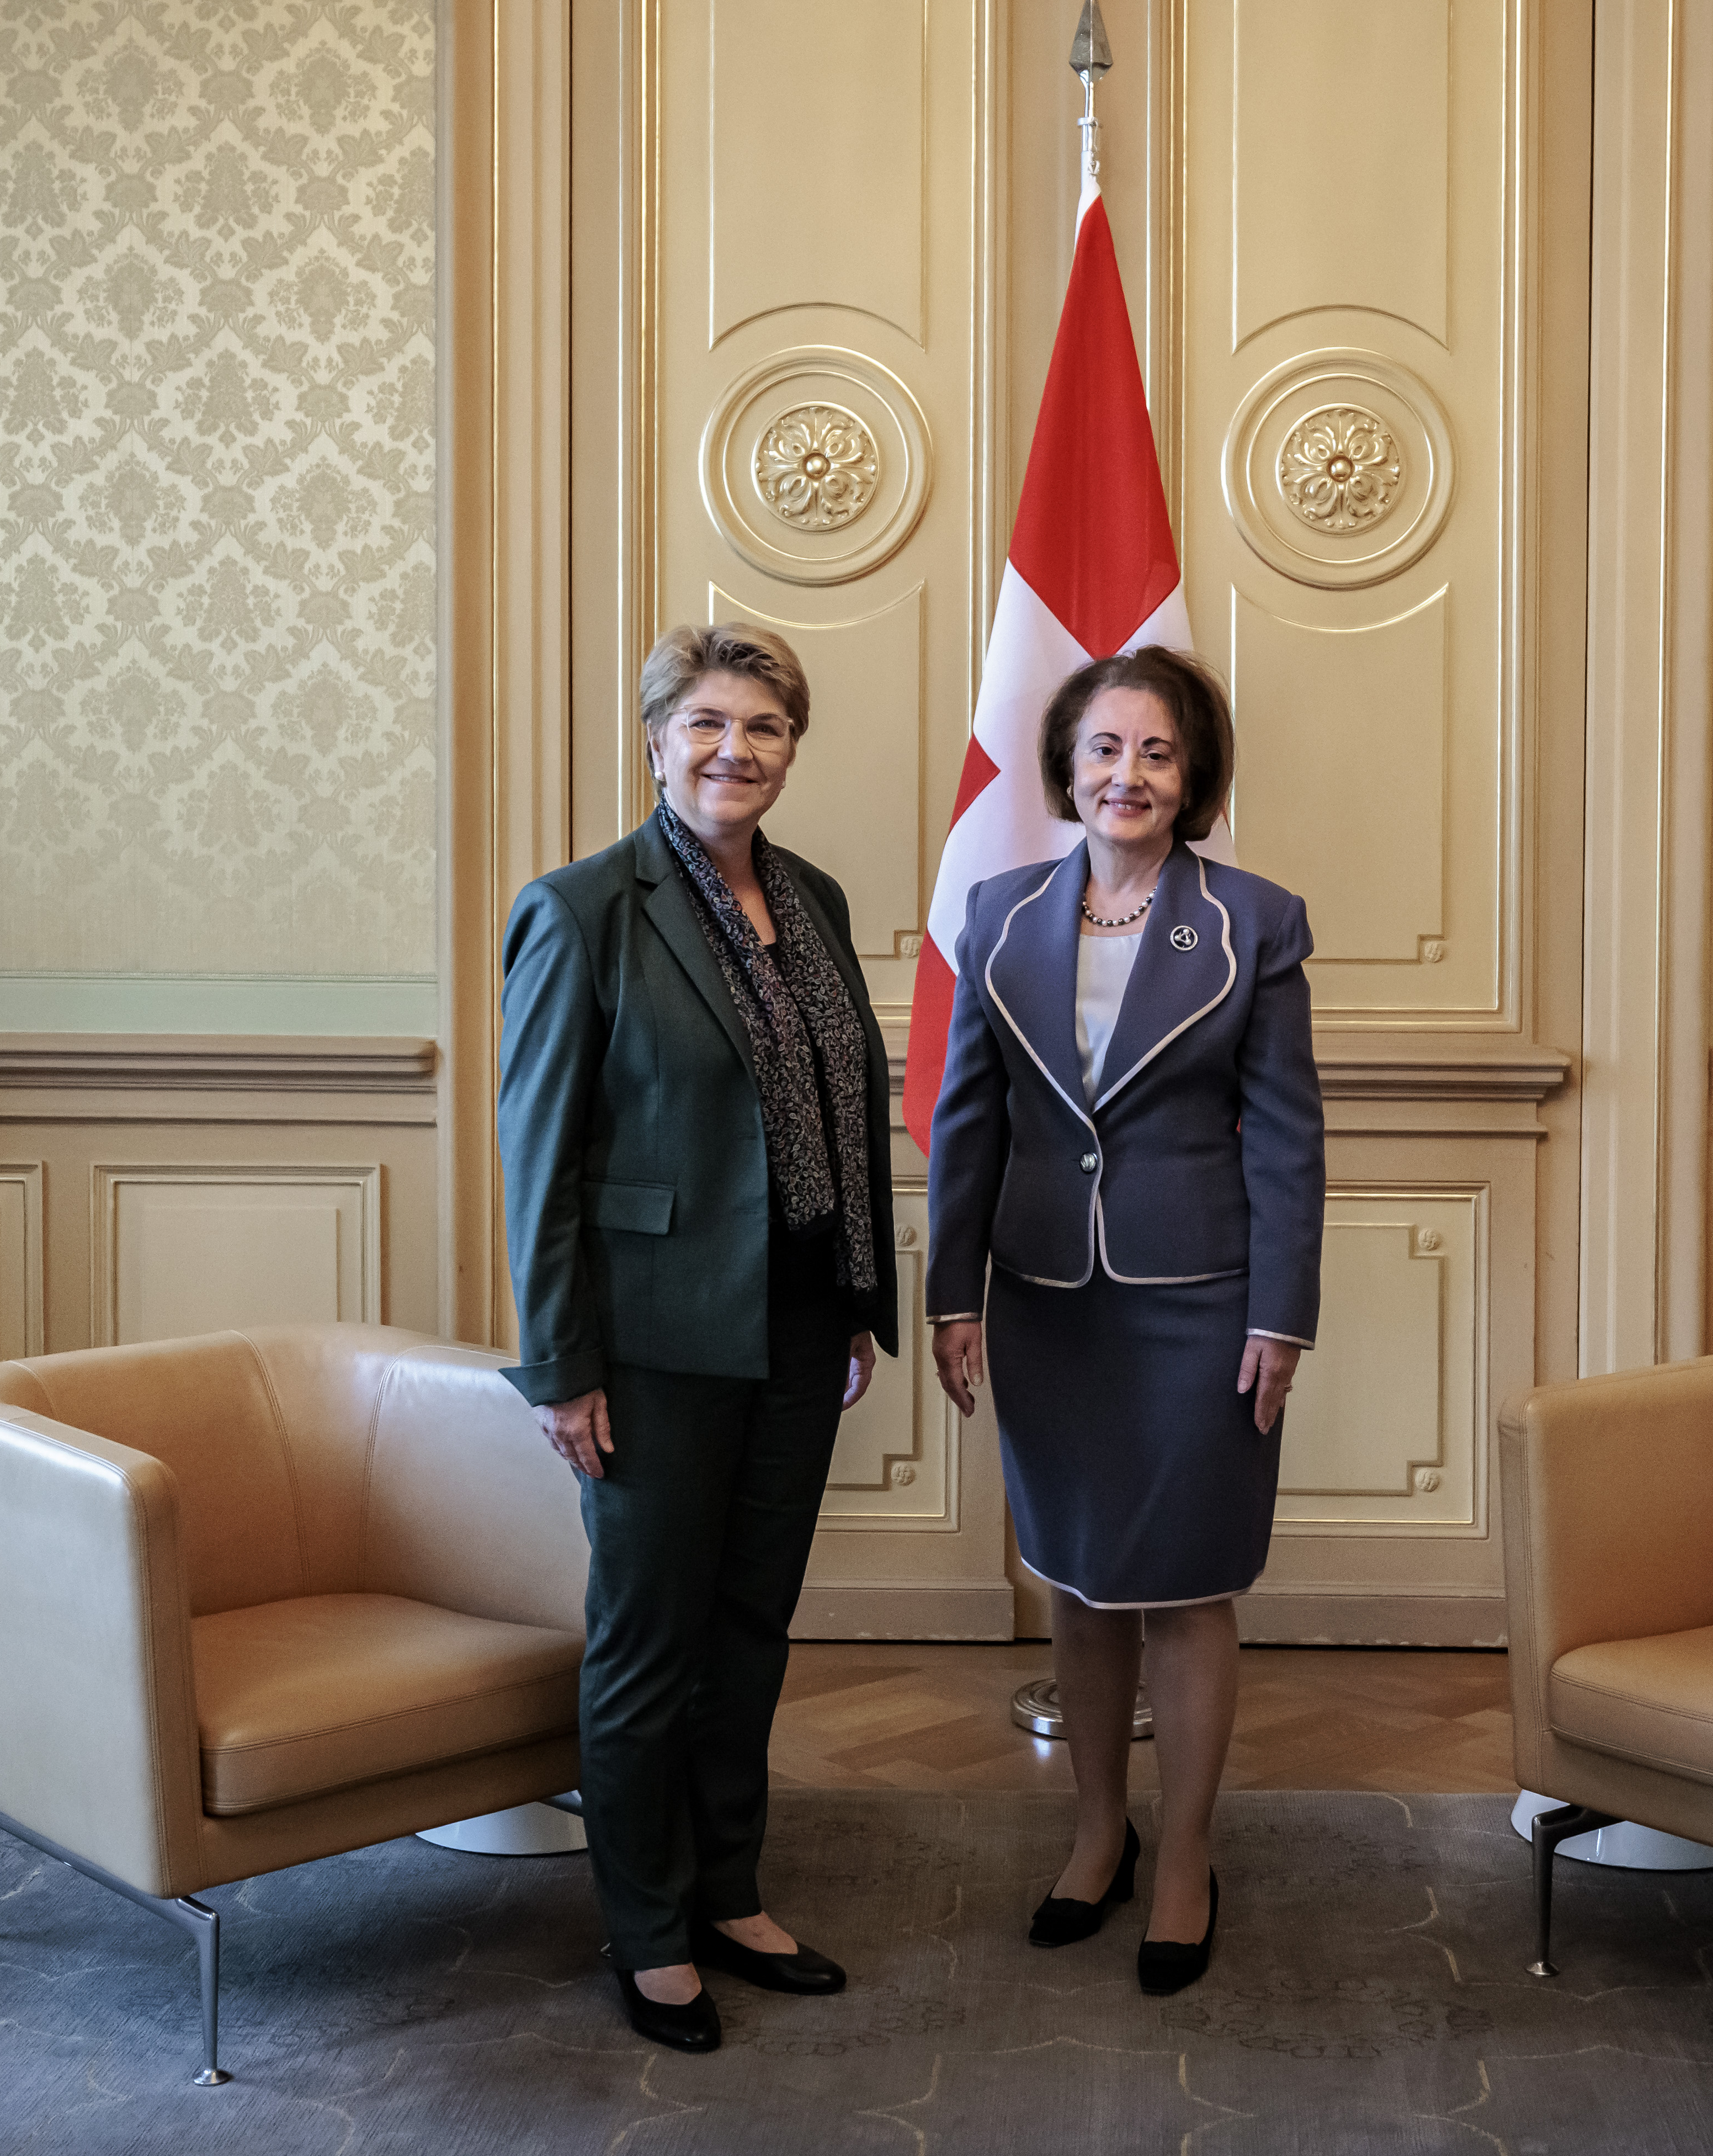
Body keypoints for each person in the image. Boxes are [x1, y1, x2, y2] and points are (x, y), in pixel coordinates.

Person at [496, 623, 898, 2054]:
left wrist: (858, 1295)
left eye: (767, 727)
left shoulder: (819, 898)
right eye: (710, 722)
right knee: (648, 1636)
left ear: (794, 748)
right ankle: (649, 1922)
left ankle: (731, 1884)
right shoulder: (585, 908)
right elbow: (538, 1157)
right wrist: (564, 1363)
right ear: (658, 735)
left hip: (797, 1318)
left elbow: (844, 1111)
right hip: (652, 1339)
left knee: (750, 1623)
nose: (738, 749)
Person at [924, 645, 1323, 1998]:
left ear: (1193, 772)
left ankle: (1186, 1856)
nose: (1127, 774)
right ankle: (1099, 1831)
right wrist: (950, 1292)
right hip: (1042, 1303)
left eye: (1156, 752)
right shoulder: (997, 914)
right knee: (1080, 1578)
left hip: (1200, 1308)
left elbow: (1284, 1140)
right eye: (1104, 749)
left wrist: (1283, 1314)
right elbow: (966, 1121)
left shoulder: (1256, 922)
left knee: (1190, 1583)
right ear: (1066, 766)